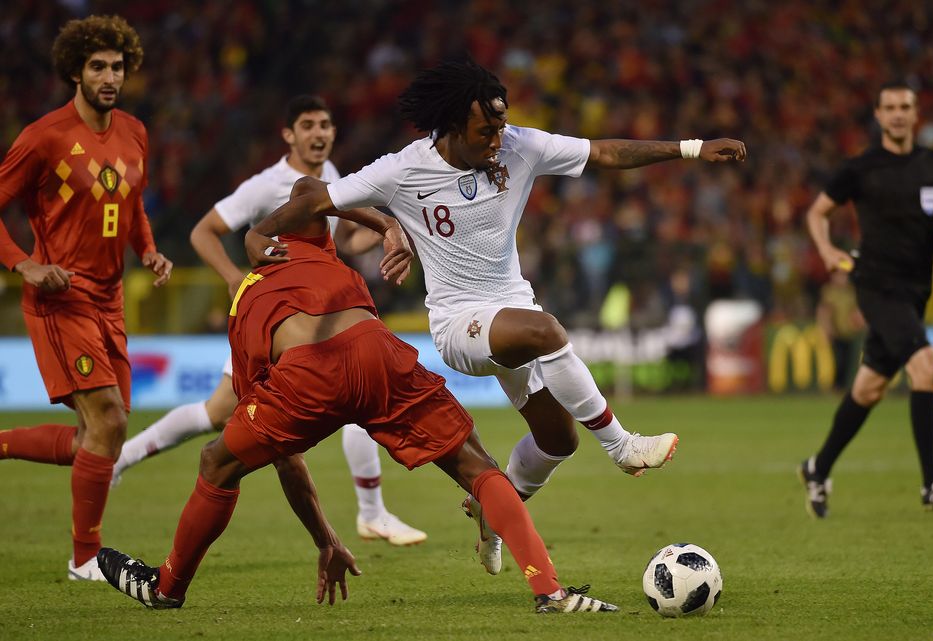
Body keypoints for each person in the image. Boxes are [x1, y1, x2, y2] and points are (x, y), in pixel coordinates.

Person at [246, 56, 747, 574]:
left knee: (558, 440)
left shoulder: (519, 146)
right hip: (459, 325)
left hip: (511, 314)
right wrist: (259, 232)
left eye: (501, 125)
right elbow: (316, 197)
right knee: (546, 331)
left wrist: (690, 148)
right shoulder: (403, 169)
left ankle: (490, 510)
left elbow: (604, 152)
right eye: (486, 129)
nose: (497, 138)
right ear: (454, 127)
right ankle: (621, 445)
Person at [97, 197, 618, 614]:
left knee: (217, 461)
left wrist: (324, 539)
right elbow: (312, 195)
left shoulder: (246, 299)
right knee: (474, 466)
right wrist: (384, 223)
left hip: (306, 373)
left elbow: (286, 457)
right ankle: (550, 592)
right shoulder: (320, 251)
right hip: (375, 351)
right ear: (312, 234)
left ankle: (168, 587)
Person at [111, 95, 426, 546]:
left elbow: (345, 238)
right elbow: (204, 231)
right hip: (274, 320)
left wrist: (389, 235)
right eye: (308, 125)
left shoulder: (332, 177)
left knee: (353, 395)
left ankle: (372, 513)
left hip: (316, 314)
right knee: (219, 413)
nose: (319, 134)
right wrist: (235, 280)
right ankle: (122, 458)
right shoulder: (267, 185)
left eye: (325, 124)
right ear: (288, 135)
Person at [0, 15, 173, 580]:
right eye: (97, 66)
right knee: (108, 421)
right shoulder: (42, 137)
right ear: (74, 71)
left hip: (111, 298)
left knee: (101, 436)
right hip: (62, 298)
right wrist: (23, 263)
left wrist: (147, 249)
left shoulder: (135, 132)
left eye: (117, 67)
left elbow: (133, 203)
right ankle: (83, 559)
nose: (109, 76)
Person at [799, 81, 933, 518]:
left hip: (915, 292)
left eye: (905, 107)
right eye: (889, 107)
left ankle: (818, 468)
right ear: (877, 115)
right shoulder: (860, 168)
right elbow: (817, 212)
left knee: (870, 387)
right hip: (876, 285)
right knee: (926, 367)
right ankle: (932, 483)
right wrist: (826, 250)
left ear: (916, 115)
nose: (897, 114)